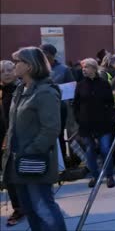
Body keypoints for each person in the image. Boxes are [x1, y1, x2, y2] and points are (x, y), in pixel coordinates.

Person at [1, 47, 67, 231]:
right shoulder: (21, 90)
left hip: (34, 161)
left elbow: (51, 129)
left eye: (18, 62)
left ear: (29, 66)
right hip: (19, 162)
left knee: (44, 208)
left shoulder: (45, 92)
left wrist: (30, 151)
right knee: (30, 210)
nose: (15, 66)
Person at [73, 58, 115, 188]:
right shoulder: (80, 85)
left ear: (93, 68)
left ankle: (109, 175)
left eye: (86, 67)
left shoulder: (103, 84)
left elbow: (110, 102)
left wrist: (108, 117)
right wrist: (79, 119)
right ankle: (95, 176)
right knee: (90, 151)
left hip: (103, 123)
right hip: (86, 125)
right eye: (83, 67)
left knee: (105, 149)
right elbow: (76, 104)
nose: (84, 69)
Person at [0, 60, 24, 226]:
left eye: (9, 69)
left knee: (14, 178)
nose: (7, 73)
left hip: (15, 140)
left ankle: (20, 208)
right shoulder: (2, 92)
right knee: (9, 178)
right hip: (3, 140)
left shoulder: (21, 90)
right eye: (2, 71)